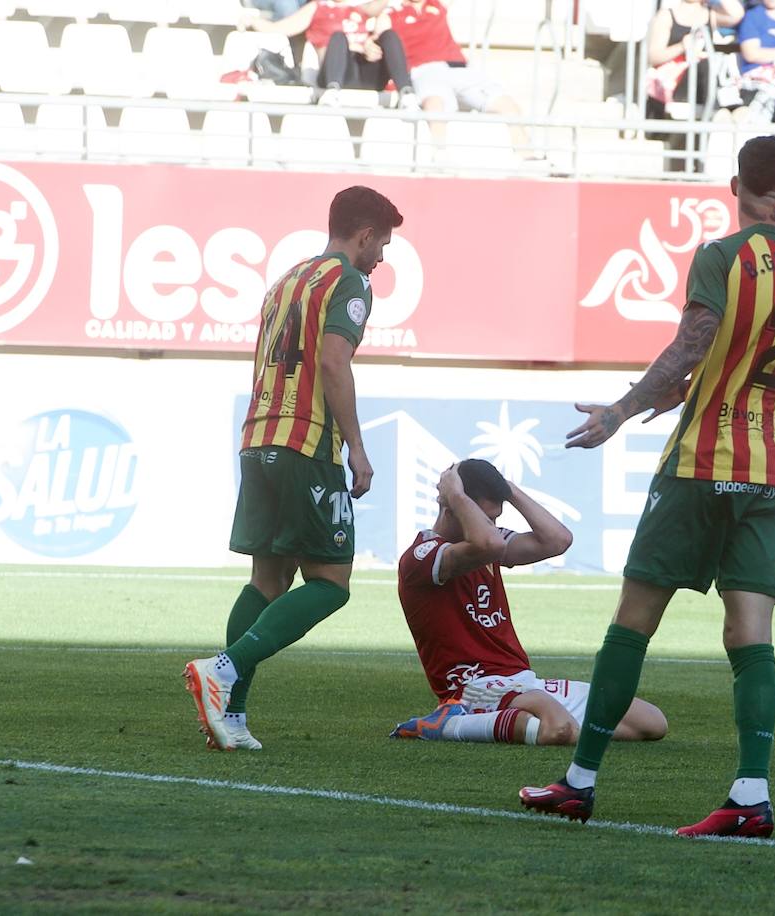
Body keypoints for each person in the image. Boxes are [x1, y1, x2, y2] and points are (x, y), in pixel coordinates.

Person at [518, 136, 775, 838]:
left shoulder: (723, 256)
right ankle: (750, 795)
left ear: (734, 185)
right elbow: (754, 364)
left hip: (702, 466)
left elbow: (696, 343)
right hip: (774, 472)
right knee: (750, 633)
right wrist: (677, 392)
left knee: (634, 619)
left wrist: (622, 411)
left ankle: (579, 782)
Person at [182, 186, 404, 751]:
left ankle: (228, 718)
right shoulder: (350, 281)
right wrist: (356, 446)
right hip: (306, 444)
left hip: (258, 438)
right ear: (363, 235)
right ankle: (224, 670)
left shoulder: (288, 280)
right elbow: (333, 361)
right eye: (382, 243)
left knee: (269, 579)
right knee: (331, 584)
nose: (382, 256)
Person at [389, 459, 668, 745]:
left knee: (650, 722)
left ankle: (545, 727)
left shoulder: (486, 542)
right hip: (472, 690)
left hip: (524, 682)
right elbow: (491, 545)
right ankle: (447, 724)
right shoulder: (423, 556)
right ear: (452, 507)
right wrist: (457, 495)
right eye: (486, 518)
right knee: (557, 729)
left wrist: (509, 490)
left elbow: (558, 540)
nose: (493, 525)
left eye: (495, 518)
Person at [380, 0, 547, 154]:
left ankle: (527, 157)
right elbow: (378, 39)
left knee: (506, 102)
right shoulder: (391, 13)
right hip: (425, 70)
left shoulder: (437, 5)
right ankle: (440, 156)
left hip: (458, 68)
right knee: (435, 103)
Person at [241, 0, 420, 108]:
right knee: (338, 38)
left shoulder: (360, 9)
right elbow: (279, 28)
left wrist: (370, 44)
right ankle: (333, 91)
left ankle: (406, 92)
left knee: (389, 36)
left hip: (366, 71)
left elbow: (382, 20)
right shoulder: (318, 7)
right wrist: (251, 20)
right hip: (336, 73)